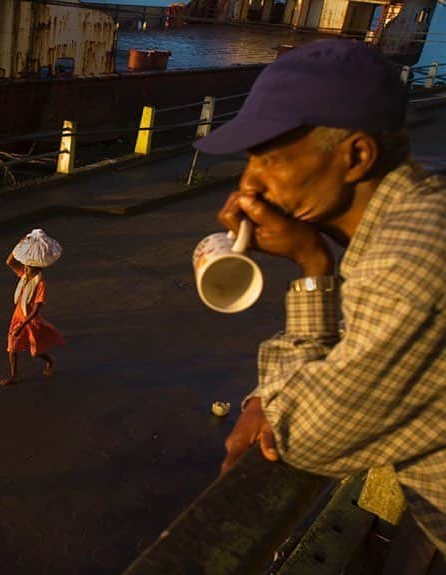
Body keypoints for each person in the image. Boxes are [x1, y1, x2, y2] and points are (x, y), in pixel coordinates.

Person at [193, 39, 445, 571]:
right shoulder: (419, 211)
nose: (248, 185)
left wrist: (312, 264)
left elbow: (300, 435)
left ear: (356, 156)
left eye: (269, 158)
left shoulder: (411, 263)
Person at [1, 249, 65, 387]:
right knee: (12, 348)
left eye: (29, 266)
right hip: (17, 318)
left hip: (29, 321)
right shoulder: (24, 276)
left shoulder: (40, 284)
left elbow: (35, 310)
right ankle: (14, 376)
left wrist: (22, 326)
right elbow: (9, 261)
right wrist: (20, 245)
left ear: (37, 268)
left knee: (36, 351)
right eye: (26, 265)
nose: (25, 267)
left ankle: (50, 361)